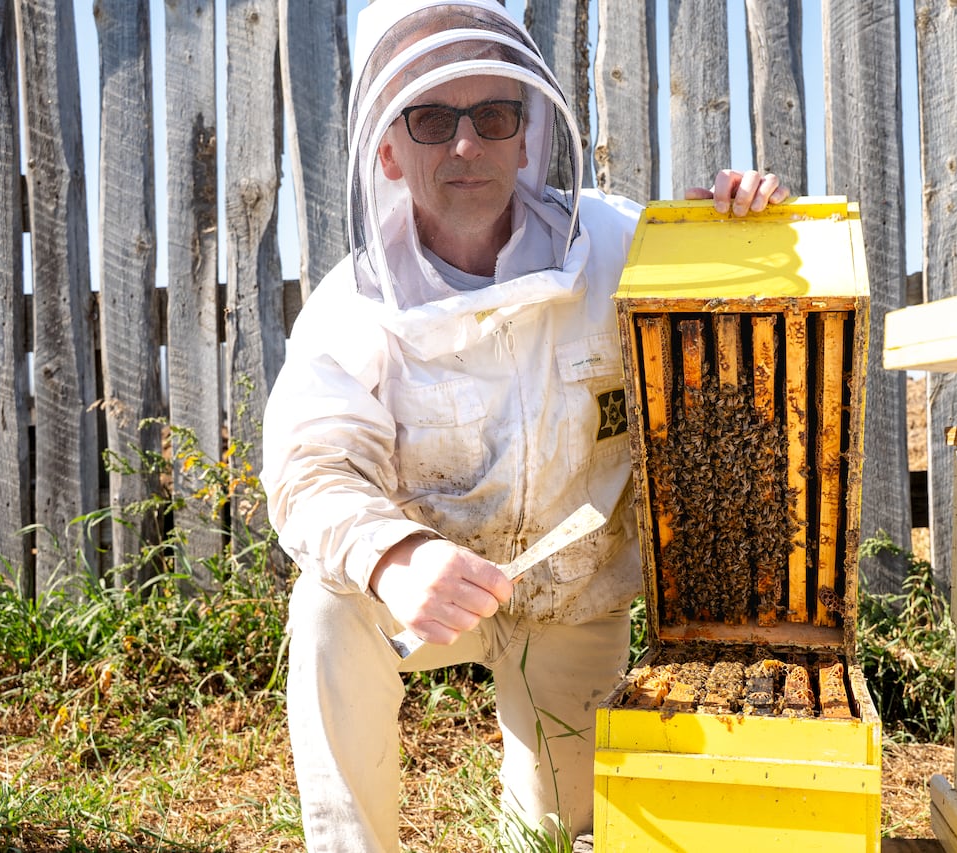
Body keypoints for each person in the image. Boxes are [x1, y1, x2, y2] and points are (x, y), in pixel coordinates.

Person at [260, 1, 789, 850]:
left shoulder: (618, 247)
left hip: (573, 597)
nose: (466, 146)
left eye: (492, 115)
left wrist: (745, 226)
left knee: (556, 835)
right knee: (328, 603)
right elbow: (310, 466)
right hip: (425, 593)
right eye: (432, 118)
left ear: (527, 132)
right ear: (388, 147)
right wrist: (397, 557)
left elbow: (735, 321)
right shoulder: (349, 306)